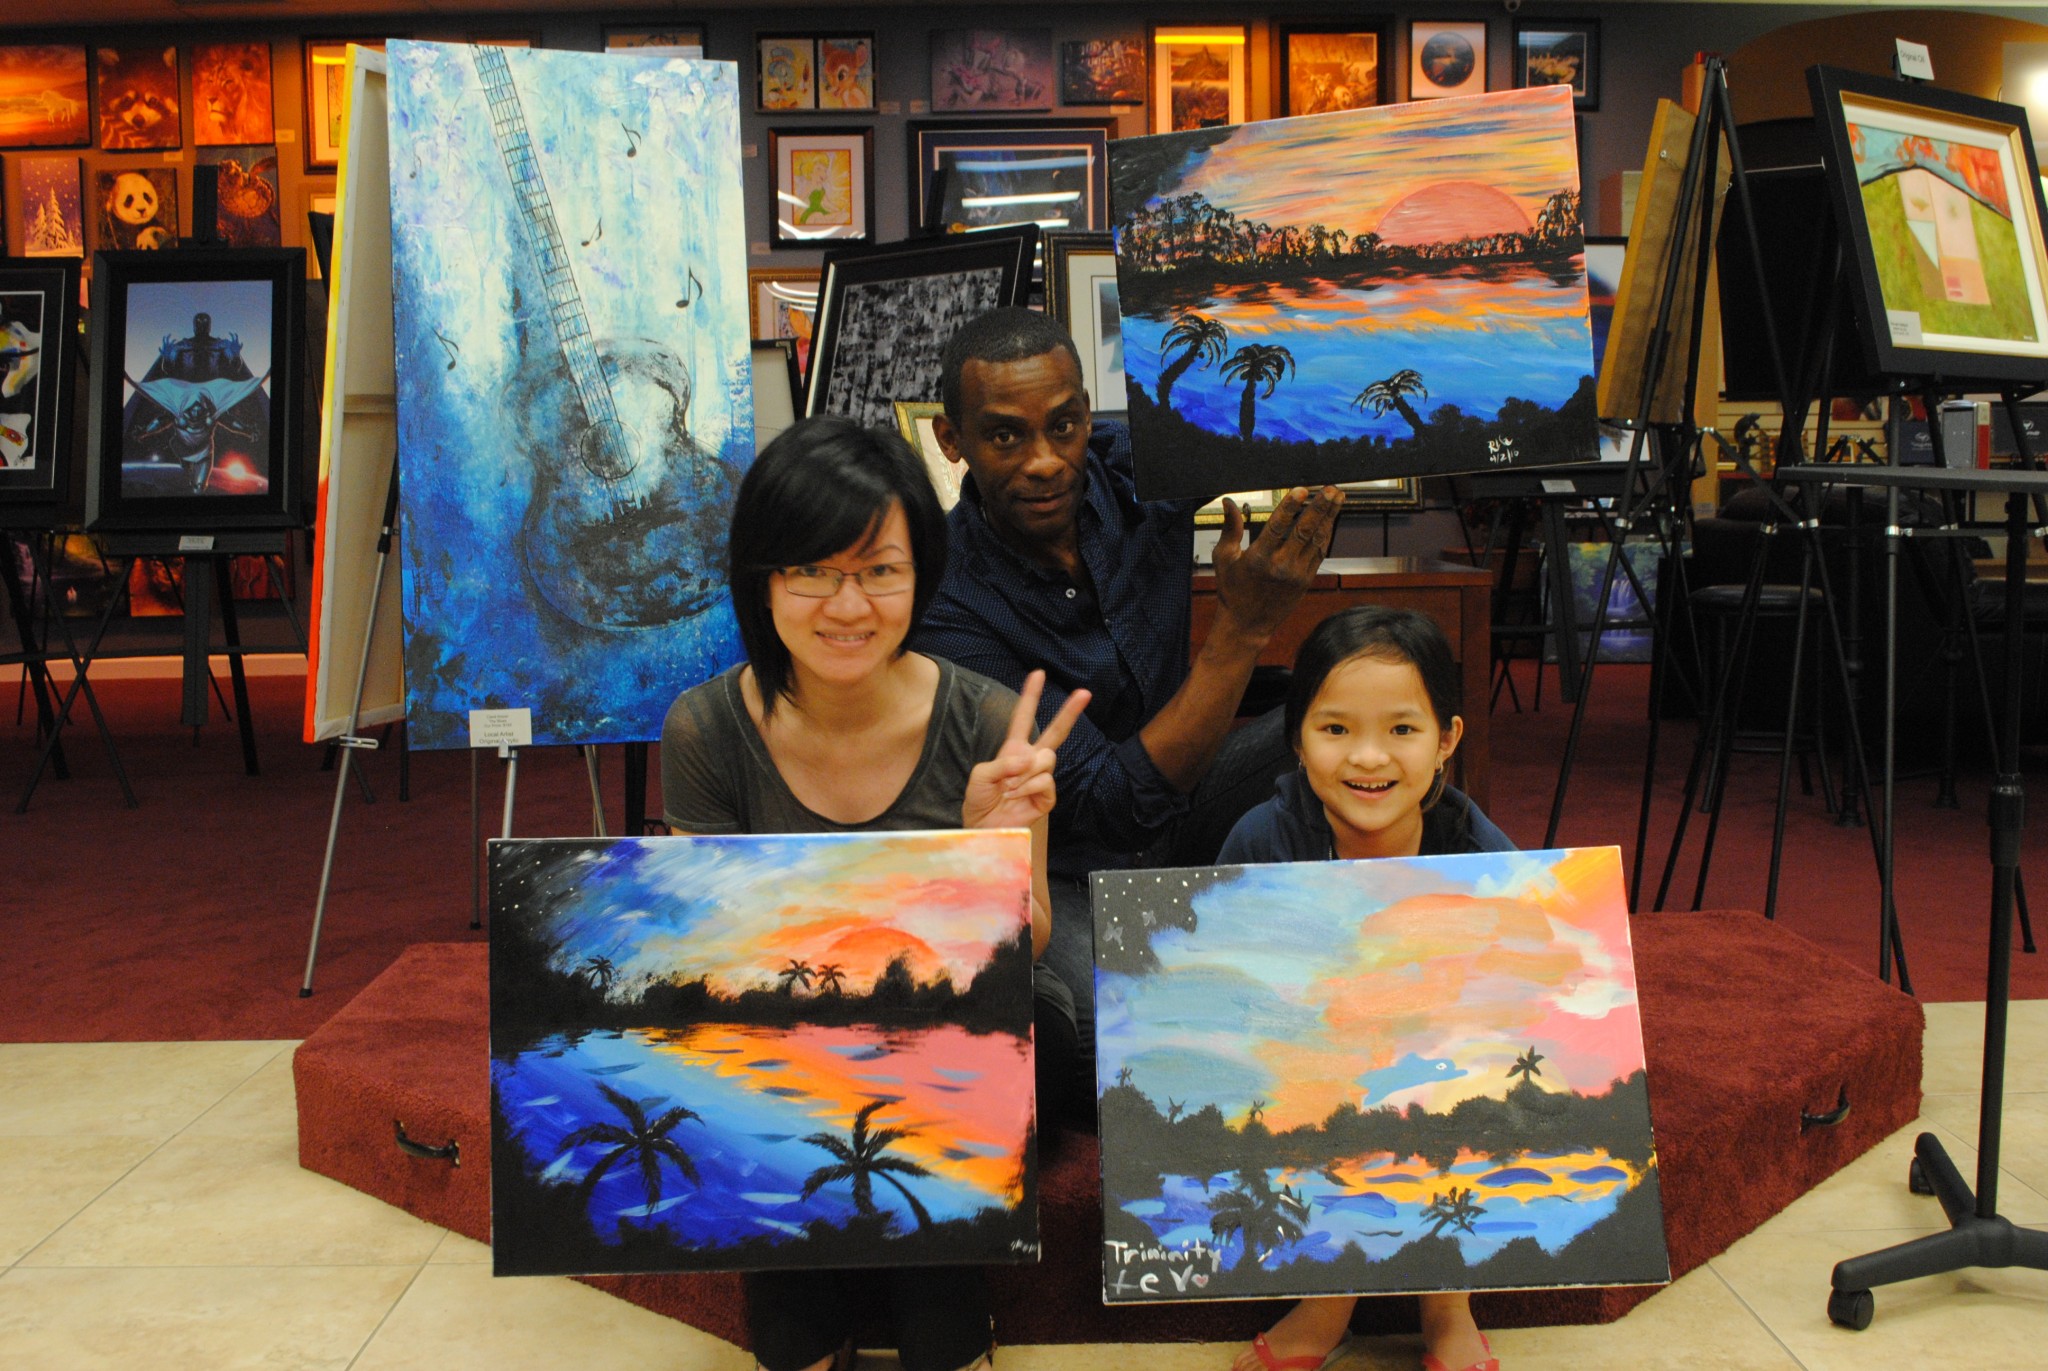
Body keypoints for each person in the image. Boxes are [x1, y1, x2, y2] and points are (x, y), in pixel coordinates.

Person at [661, 416, 1090, 1371]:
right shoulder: (706, 729)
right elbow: (714, 959)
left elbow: (1025, 950)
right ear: (762, 579)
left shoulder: (987, 719)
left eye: (879, 570)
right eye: (812, 571)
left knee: (987, 1066)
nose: (847, 605)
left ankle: (942, 1304)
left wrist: (982, 849)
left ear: (920, 573)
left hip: (969, 1025)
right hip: (789, 1027)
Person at [913, 307, 1344, 1098]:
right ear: (952, 440)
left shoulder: (1129, 468)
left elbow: (1294, 402)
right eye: (1005, 436)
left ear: (1087, 413)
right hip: (1073, 864)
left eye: (1063, 426)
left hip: (1192, 806)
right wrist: (1241, 630)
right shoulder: (946, 599)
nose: (1045, 462)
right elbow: (1111, 805)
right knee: (1108, 1047)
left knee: (1360, 710)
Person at [1216, 606, 1510, 1371]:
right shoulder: (1262, 840)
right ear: (1296, 738)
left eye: (1402, 729)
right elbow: (1230, 988)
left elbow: (1512, 1001)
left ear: (1446, 738)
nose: (1369, 756)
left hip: (1437, 1069)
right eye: (1336, 728)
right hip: (1306, 1066)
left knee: (1460, 1087)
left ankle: (1448, 1305)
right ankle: (1326, 1304)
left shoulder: (1477, 851)